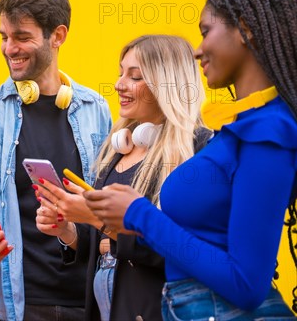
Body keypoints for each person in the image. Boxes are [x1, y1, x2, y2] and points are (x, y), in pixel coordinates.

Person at [86, 0, 297, 320]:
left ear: (244, 29)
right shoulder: (239, 130)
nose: (197, 51)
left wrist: (139, 214)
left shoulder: (268, 133)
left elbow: (247, 283)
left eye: (205, 31)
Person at [0, 0, 112, 321]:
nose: (9, 48)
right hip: (10, 304)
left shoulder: (96, 109)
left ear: (57, 35)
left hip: (87, 300)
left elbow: (104, 207)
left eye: (22, 37)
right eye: (4, 36)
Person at [34, 35, 211, 321]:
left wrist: (96, 219)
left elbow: (179, 250)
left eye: (135, 76)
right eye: (120, 73)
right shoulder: (118, 149)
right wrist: (67, 231)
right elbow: (105, 243)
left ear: (167, 84)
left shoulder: (198, 150)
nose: (119, 84)